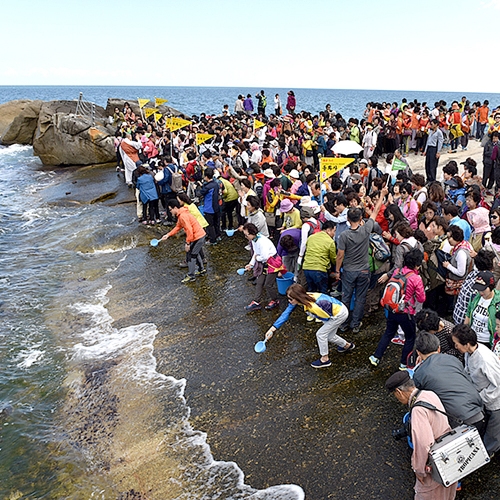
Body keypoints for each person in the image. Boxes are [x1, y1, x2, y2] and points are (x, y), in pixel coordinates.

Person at [385, 371, 458, 500]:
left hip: (436, 466)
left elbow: (424, 444)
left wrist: (419, 471)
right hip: (449, 456)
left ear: (399, 391)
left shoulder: (418, 410)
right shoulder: (429, 394)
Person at [333, 187, 389, 333]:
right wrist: (382, 195)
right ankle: (355, 324)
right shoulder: (366, 229)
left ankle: (343, 324)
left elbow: (340, 255)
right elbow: (375, 212)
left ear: (347, 219)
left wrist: (337, 270)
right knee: (360, 297)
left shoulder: (344, 236)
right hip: (364, 270)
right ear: (360, 219)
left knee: (346, 297)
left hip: (349, 271)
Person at [264, 283, 354, 369]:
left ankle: (325, 359)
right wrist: (272, 329)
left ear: (297, 298)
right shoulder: (305, 297)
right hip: (337, 309)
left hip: (338, 315)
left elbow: (327, 318)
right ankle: (347, 346)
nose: (289, 301)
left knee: (321, 334)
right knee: (329, 335)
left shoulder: (314, 306)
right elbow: (286, 313)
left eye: (291, 299)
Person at [412, 332, 485, 433]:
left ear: (418, 352)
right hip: (479, 410)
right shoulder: (452, 359)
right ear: (439, 348)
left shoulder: (419, 374)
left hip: (457, 420)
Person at [369, 248, 426, 370]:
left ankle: (376, 357)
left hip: (392, 309)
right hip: (406, 312)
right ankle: (404, 363)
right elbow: (421, 299)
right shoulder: (416, 278)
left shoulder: (397, 272)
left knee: (389, 332)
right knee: (410, 337)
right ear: (417, 265)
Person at [451, 324, 500, 455]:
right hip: (481, 395)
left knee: (493, 432)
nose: (455, 346)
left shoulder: (485, 359)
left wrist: (480, 397)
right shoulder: (469, 353)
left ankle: (487, 453)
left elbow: (498, 385)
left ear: (466, 344)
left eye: (457, 344)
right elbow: (468, 370)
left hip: (495, 401)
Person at [161, 199, 206, 283]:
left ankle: (191, 276)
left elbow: (189, 230)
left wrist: (187, 243)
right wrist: (168, 235)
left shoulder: (182, 216)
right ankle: (201, 269)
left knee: (191, 255)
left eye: (170, 210)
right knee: (195, 253)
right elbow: (178, 227)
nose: (170, 212)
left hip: (198, 236)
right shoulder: (181, 213)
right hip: (199, 235)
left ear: (175, 208)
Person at [243, 222, 281, 311]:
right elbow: (256, 253)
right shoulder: (254, 239)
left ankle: (275, 300)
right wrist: (251, 264)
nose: (246, 237)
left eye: (246, 235)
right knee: (259, 282)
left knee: (268, 284)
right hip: (264, 263)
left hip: (273, 263)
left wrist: (257, 258)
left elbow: (264, 257)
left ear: (252, 233)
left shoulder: (262, 241)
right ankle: (256, 301)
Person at [465, 270, 500, 347]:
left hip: (487, 341)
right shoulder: (474, 296)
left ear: (491, 286)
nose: (480, 292)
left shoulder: (498, 301)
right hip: (473, 338)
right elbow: (468, 314)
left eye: (483, 289)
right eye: (478, 289)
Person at [302, 221, 337, 294]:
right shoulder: (330, 241)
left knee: (311, 291)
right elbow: (333, 258)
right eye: (334, 231)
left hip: (306, 268)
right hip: (319, 269)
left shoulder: (311, 237)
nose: (334, 234)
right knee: (323, 292)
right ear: (328, 230)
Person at [200, 168, 222, 244]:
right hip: (216, 207)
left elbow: (200, 193)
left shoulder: (207, 186)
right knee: (216, 223)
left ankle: (213, 240)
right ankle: (218, 235)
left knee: (210, 225)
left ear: (206, 176)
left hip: (209, 208)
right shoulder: (216, 184)